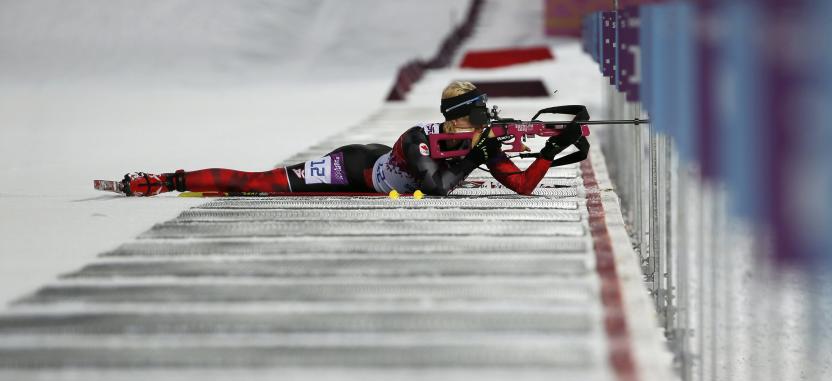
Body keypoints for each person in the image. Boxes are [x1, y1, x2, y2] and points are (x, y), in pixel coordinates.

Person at [119, 81, 582, 197]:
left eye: (489, 113)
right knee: (260, 184)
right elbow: (434, 187)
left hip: (390, 172)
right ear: (459, 118)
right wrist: (476, 155)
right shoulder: (417, 136)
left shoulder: (480, 141)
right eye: (480, 114)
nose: (488, 120)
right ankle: (165, 179)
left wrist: (549, 148)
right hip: (356, 166)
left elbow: (522, 185)